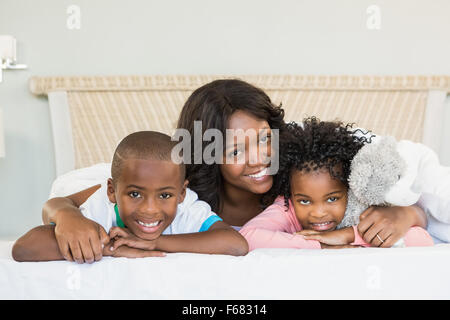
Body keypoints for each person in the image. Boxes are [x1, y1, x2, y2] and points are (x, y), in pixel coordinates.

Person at [41, 79, 428, 262]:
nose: (259, 157)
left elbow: (409, 200)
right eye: (234, 149)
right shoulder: (178, 191)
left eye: (264, 139)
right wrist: (65, 217)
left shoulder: (302, 179)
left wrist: (407, 212)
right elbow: (67, 196)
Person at [12, 131, 248, 262]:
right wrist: (106, 246)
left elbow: (236, 244)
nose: (150, 209)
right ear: (112, 191)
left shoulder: (187, 208)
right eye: (135, 194)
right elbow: (23, 249)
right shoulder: (101, 207)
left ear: (182, 193)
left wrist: (152, 243)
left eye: (165, 195)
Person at [239, 118, 434, 250]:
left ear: (349, 188)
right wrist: (321, 244)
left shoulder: (361, 206)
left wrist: (349, 235)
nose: (318, 212)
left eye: (332, 198)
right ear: (290, 191)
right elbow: (248, 236)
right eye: (305, 201)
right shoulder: (286, 207)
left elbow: (422, 238)